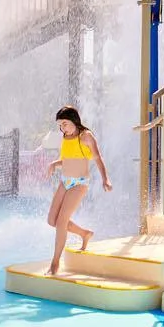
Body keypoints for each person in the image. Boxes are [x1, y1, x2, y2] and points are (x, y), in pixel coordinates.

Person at [44, 106, 110, 276]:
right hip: (65, 181)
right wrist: (54, 163)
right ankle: (84, 233)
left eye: (65, 124)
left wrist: (105, 179)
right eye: (60, 125)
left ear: (74, 120)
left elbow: (98, 158)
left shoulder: (86, 136)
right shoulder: (66, 137)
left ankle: (55, 263)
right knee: (52, 220)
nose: (62, 128)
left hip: (79, 183)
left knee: (61, 222)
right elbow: (68, 159)